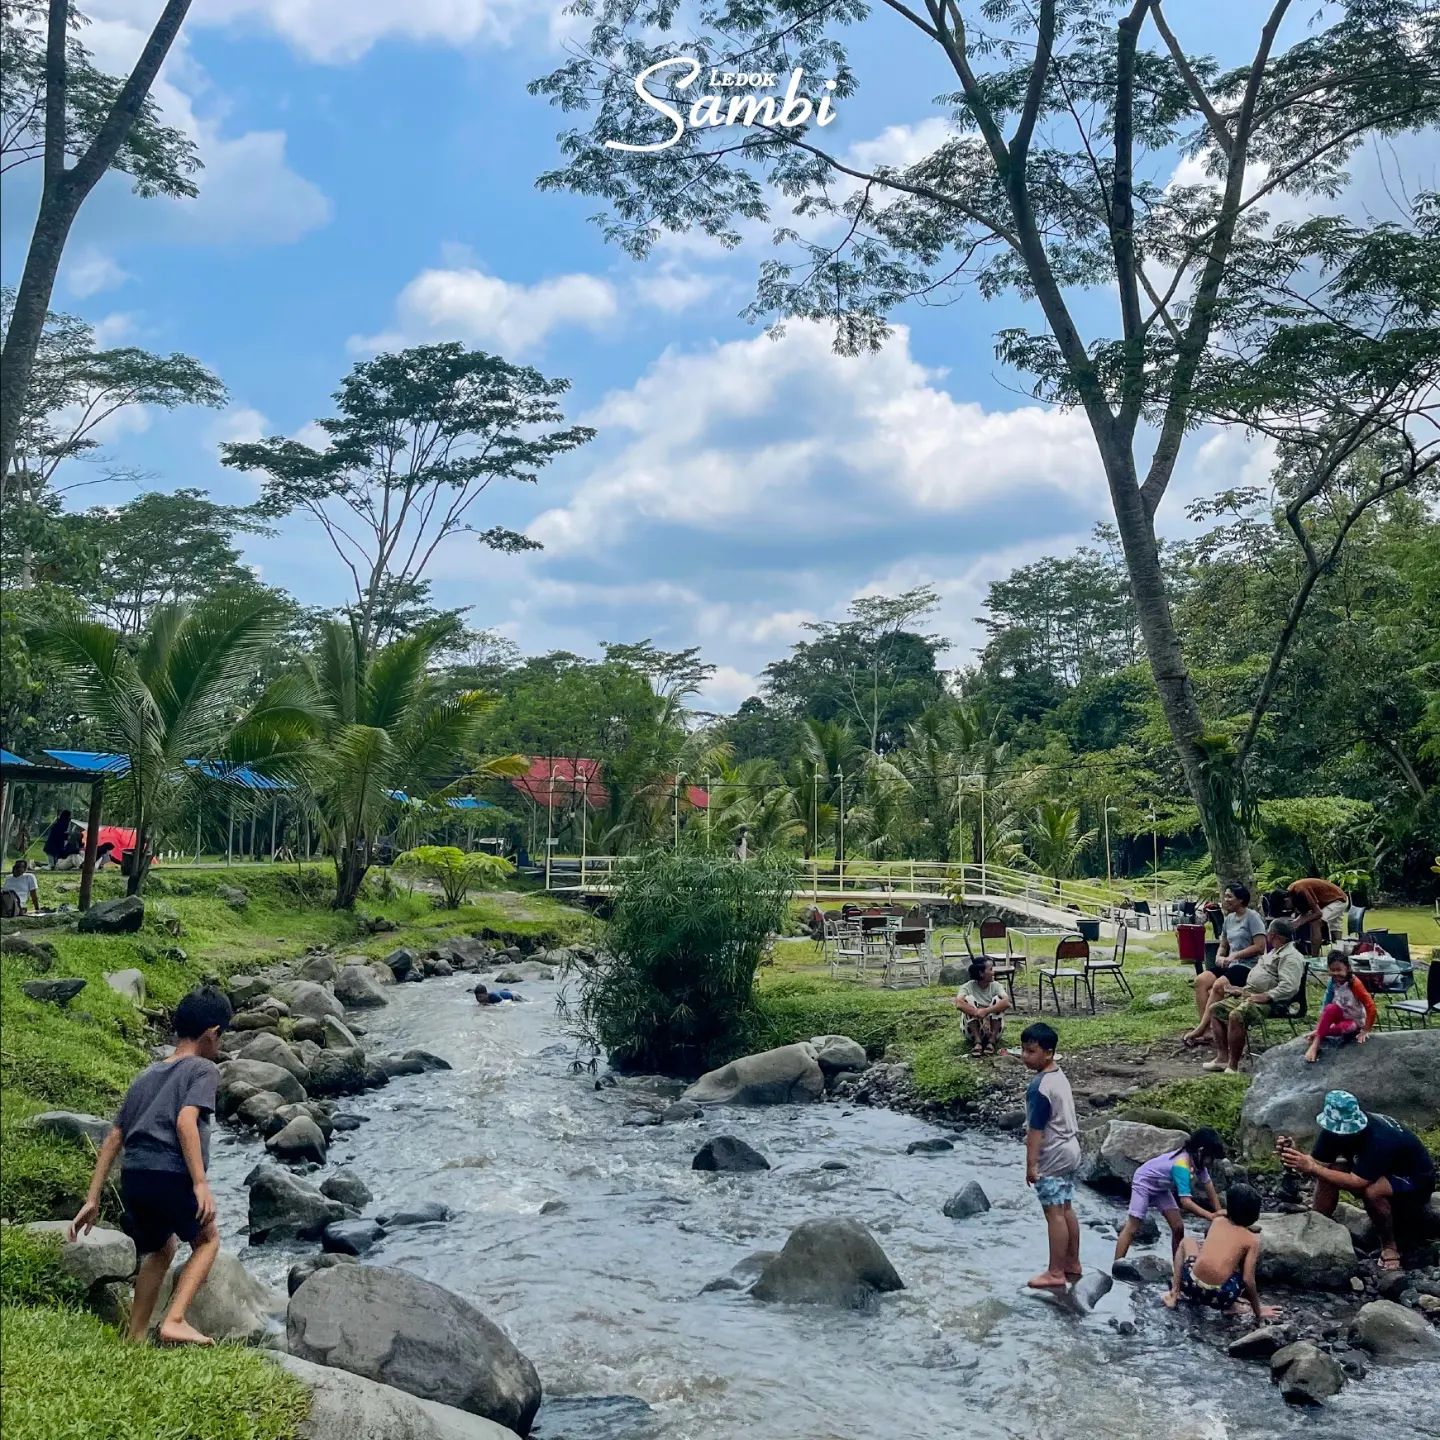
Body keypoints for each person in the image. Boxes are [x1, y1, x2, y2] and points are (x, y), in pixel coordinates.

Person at [69, 986, 233, 1345]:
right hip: (171, 1172)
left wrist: (92, 1199)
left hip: (136, 1176)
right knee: (207, 1241)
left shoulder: (147, 1075)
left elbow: (114, 1137)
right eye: (222, 1038)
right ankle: (174, 1318)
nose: (219, 1047)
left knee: (161, 1247)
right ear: (213, 1033)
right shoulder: (204, 1069)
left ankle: (136, 1336)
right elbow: (185, 1121)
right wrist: (200, 1183)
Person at [1278, 1090, 1436, 1273]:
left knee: (1373, 1192)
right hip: (1375, 1169)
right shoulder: (1330, 1132)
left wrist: (1312, 1168)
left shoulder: (1380, 1138)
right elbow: (1318, 1164)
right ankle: (1319, 1221)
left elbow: (1358, 1182)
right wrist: (1294, 1156)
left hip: (1414, 1180)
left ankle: (1390, 1246)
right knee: (1329, 1171)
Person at [1019, 1021, 1083, 1291]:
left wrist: (1031, 1165)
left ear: (1048, 1053)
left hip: (1054, 1153)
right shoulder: (1059, 1076)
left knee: (1053, 1212)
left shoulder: (1040, 1087)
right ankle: (1072, 1263)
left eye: (1031, 1051)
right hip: (1072, 1148)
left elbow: (1036, 1131)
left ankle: (1055, 1271)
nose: (1024, 1056)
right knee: (1066, 1207)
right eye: (1022, 1050)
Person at [1199, 918, 1306, 1074]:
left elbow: (1290, 987)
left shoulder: (1291, 956)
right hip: (1251, 994)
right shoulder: (1275, 951)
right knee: (1216, 1009)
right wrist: (1242, 991)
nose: (1267, 934)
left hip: (1272, 1002)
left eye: (1269, 931)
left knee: (1237, 1015)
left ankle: (1233, 1065)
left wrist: (1267, 996)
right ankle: (1222, 1058)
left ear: (1274, 935)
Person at [1162, 1183, 1278, 1321]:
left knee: (1186, 1242)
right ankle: (1231, 1307)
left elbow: (1219, 1215)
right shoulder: (1251, 1240)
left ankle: (1174, 1293)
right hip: (1222, 1296)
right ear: (1255, 1215)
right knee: (1238, 1266)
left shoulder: (1217, 1221)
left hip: (1190, 1285)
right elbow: (1248, 1279)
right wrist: (1258, 1311)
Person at [1114, 1128, 1226, 1263]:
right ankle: (1117, 1265)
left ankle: (1177, 1267)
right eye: (1211, 1157)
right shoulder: (1181, 1165)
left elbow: (1209, 1186)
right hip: (1143, 1182)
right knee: (1133, 1226)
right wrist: (1211, 1216)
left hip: (1161, 1188)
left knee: (1178, 1227)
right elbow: (1186, 1202)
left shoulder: (1198, 1163)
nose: (1211, 1162)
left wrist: (1219, 1212)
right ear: (1200, 1151)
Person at [1185, 883, 1267, 1040]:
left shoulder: (1252, 917)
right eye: (1225, 896)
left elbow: (1260, 946)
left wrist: (1234, 956)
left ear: (1241, 900)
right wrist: (1219, 957)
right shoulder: (1229, 919)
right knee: (1200, 980)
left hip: (1248, 966)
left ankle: (1200, 1029)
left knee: (1218, 985)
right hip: (1231, 964)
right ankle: (1208, 1029)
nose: (1225, 899)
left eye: (1230, 896)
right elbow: (1223, 944)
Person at [1303, 952, 1376, 1063]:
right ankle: (1316, 1042)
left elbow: (1370, 1006)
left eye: (1339, 970)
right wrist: (1321, 1023)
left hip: (1353, 1020)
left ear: (1347, 968)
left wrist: (1366, 1029)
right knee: (1330, 1008)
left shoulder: (1355, 984)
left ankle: (1319, 1035)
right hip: (1340, 1014)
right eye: (1332, 970)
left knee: (1345, 1028)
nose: (1336, 973)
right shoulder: (1332, 982)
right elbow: (1326, 1004)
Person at [954, 957, 1011, 1056]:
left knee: (998, 1000)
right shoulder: (968, 986)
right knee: (968, 1000)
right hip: (971, 1030)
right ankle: (977, 1041)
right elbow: (959, 1003)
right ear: (981, 973)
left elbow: (1006, 1002)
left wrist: (986, 1011)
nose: (993, 972)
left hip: (992, 1029)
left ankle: (992, 1041)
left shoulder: (996, 986)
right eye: (990, 969)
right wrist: (976, 1012)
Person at [1281, 876, 1349, 954]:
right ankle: (1339, 953)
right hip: (1331, 899)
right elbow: (1306, 913)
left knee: (1316, 921)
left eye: (1285, 906)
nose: (1287, 909)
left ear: (1286, 899)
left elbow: (1318, 913)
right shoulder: (1293, 892)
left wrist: (1301, 921)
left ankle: (1315, 957)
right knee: (1335, 927)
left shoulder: (1300, 890)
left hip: (1338, 899)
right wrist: (1297, 921)